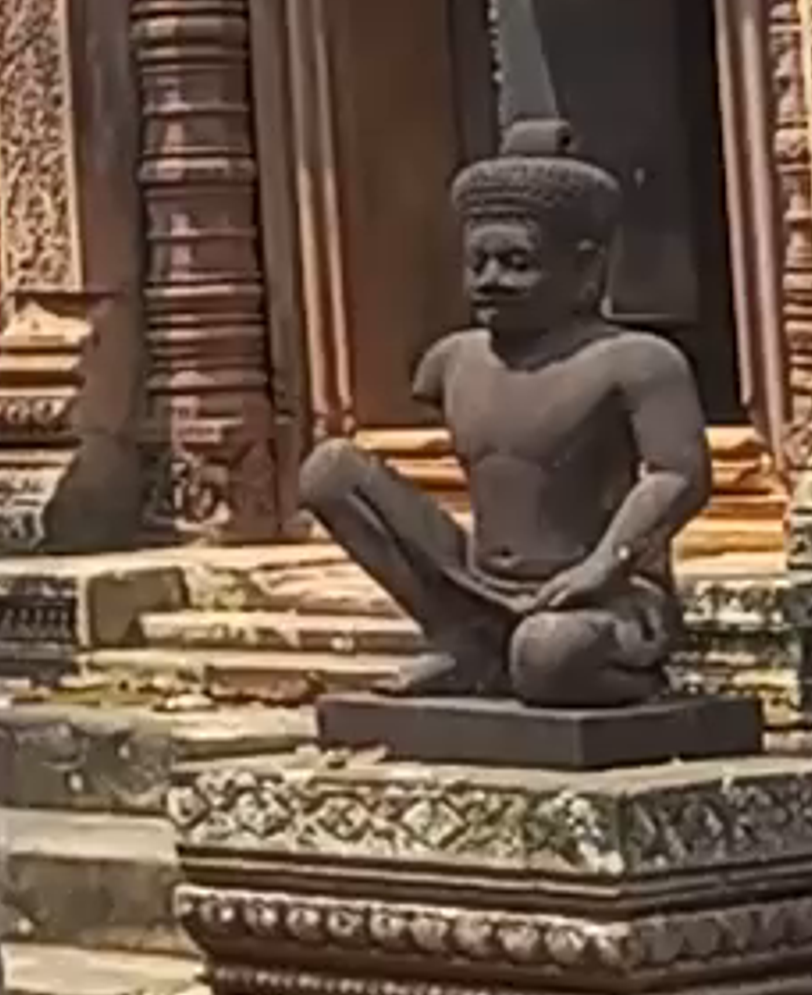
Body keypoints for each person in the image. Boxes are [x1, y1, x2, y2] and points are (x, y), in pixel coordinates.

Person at [295, 117, 711, 709]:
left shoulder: (636, 361)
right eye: (479, 263)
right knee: (329, 471)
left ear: (586, 268)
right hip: (477, 583)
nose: (492, 281)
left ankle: (601, 672)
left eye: (518, 263)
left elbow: (680, 476)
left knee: (546, 658)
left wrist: (603, 567)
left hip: (602, 596)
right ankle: (462, 638)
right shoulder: (452, 359)